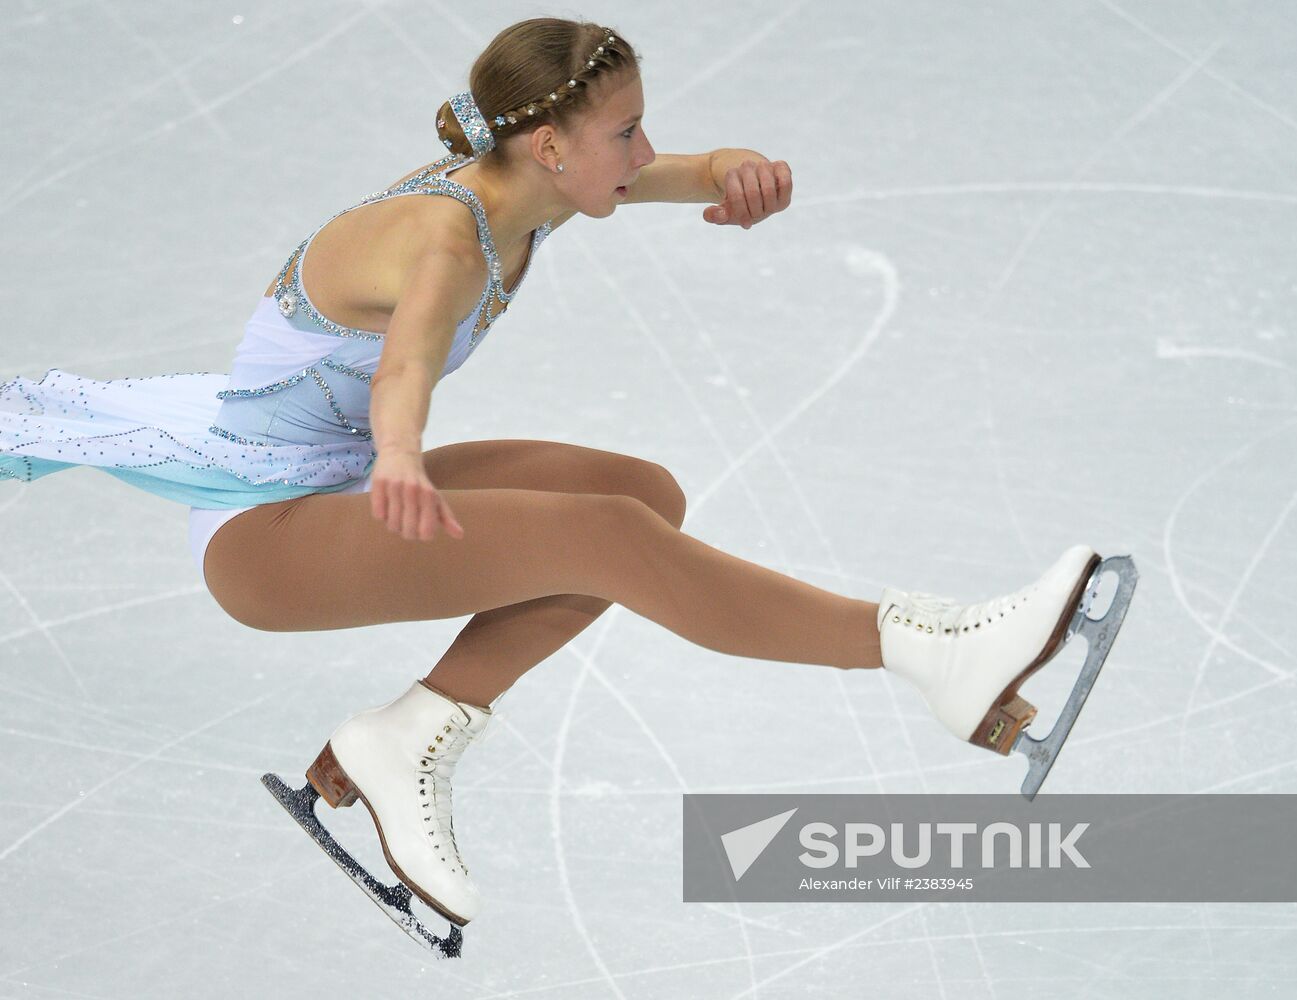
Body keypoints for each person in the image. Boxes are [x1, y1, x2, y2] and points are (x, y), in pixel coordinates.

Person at [0, 17, 1113, 930]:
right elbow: (405, 368)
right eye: (624, 134)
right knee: (607, 542)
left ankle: (407, 736)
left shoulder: (537, 186)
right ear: (548, 145)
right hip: (268, 532)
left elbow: (683, 172)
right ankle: (926, 649)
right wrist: (398, 455)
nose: (639, 154)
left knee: (639, 498)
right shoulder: (443, 238)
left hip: (323, 483)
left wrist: (739, 173)